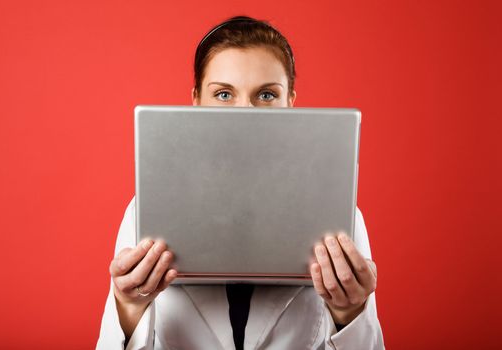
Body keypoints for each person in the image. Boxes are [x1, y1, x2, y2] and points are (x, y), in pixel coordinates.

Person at [97, 16, 384, 350]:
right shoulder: (146, 211)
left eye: (266, 95)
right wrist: (128, 308)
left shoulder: (337, 215)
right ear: (196, 102)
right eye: (223, 94)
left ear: (290, 102)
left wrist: (350, 314)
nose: (244, 113)